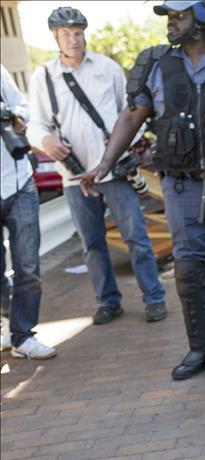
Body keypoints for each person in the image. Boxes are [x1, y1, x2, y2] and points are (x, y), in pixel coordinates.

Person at [78, 0, 205, 380]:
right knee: (188, 268)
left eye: (179, 16)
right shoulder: (155, 63)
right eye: (169, 16)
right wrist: (104, 165)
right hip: (181, 185)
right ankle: (203, 349)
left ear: (202, 20)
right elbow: (131, 116)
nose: (171, 22)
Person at [27, 6, 167, 325]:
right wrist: (46, 142)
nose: (73, 40)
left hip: (115, 169)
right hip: (75, 175)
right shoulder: (43, 76)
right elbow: (35, 124)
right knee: (92, 244)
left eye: (78, 33)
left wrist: (125, 147)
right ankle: (108, 301)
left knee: (136, 236)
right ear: (55, 38)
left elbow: (130, 113)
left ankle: (154, 297)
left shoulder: (107, 68)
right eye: (66, 34)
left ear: (84, 34)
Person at [0, 65, 56, 360]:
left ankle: (23, 336)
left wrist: (16, 116)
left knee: (29, 268)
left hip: (18, 182)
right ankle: (8, 323)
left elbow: (23, 106)